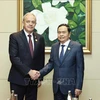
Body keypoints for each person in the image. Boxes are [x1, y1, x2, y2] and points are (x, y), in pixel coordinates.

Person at [35, 24, 84, 100]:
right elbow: (51, 64)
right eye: (59, 32)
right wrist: (39, 73)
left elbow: (80, 68)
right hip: (57, 87)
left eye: (64, 32)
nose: (61, 34)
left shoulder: (77, 47)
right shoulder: (54, 47)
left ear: (69, 34)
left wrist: (78, 86)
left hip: (71, 87)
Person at [8, 12, 45, 100]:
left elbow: (41, 59)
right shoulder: (15, 37)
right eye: (28, 21)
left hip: (33, 81)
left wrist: (40, 77)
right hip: (18, 79)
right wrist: (29, 71)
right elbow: (14, 58)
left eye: (33, 22)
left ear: (35, 24)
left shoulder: (40, 38)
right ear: (23, 22)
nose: (30, 24)